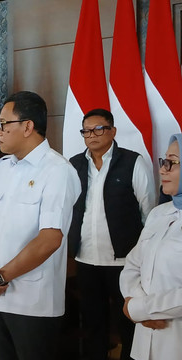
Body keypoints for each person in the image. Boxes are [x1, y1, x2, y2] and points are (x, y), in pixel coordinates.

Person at [0, 91, 81, 360]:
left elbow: (50, 239)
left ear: (28, 126)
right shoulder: (1, 167)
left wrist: (1, 277)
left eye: (3, 124)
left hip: (33, 301)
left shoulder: (57, 171)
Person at [67, 108, 155, 360]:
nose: (91, 135)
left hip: (124, 261)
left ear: (112, 131)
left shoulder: (132, 162)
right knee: (93, 322)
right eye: (86, 130)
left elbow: (149, 211)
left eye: (98, 129)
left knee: (127, 320)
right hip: (85, 259)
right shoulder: (74, 164)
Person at [119, 133, 182, 360]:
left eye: (172, 162)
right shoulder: (159, 214)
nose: (163, 169)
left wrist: (141, 309)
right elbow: (132, 265)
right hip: (143, 341)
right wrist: (134, 303)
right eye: (163, 161)